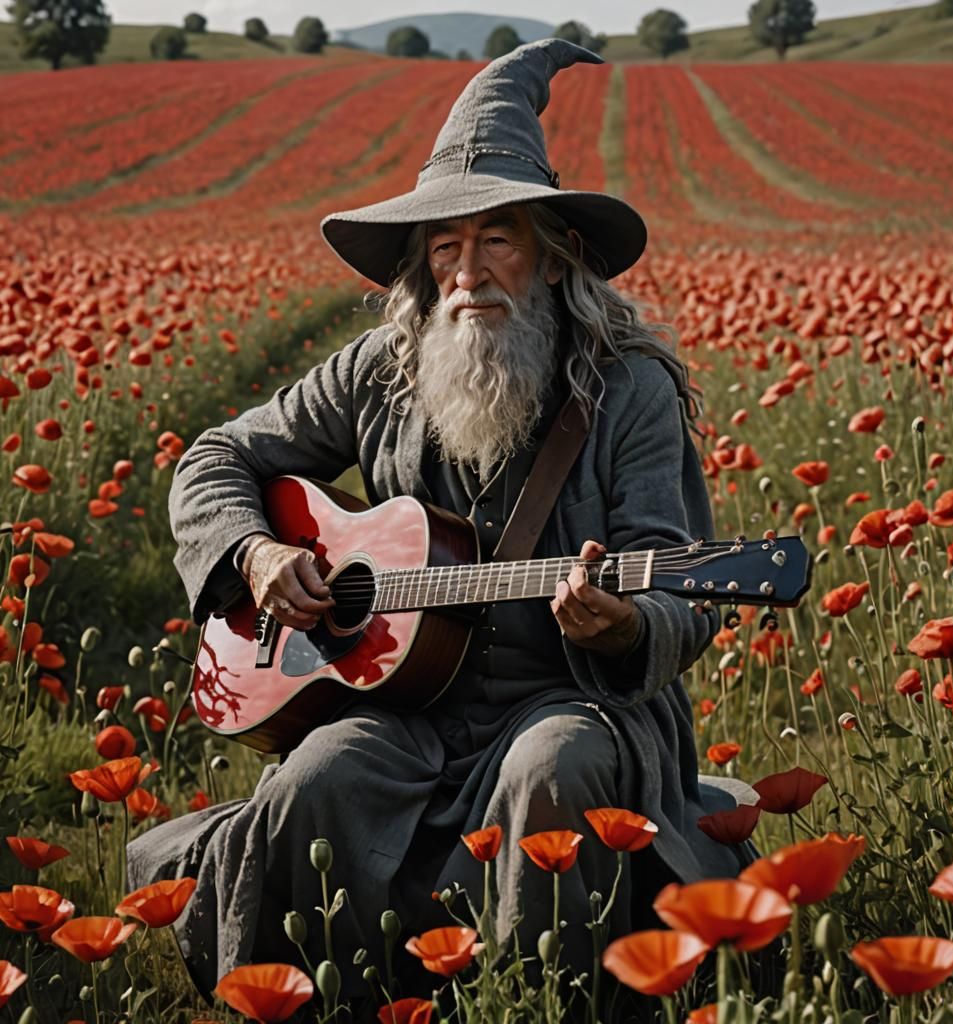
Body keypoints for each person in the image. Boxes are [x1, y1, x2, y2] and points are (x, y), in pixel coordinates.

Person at [128, 38, 751, 1008]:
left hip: (570, 693)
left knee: (552, 769)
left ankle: (540, 999)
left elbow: (678, 583)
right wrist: (253, 553)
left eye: (497, 238)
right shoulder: (378, 368)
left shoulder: (627, 388)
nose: (469, 271)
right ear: (422, 265)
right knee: (316, 777)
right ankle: (326, 997)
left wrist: (623, 622)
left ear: (553, 258)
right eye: (446, 247)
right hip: (407, 703)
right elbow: (216, 458)